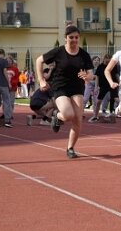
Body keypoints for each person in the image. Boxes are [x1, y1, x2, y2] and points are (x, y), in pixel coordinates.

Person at [36, 25, 94, 159]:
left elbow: (91, 73)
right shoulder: (59, 52)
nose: (74, 40)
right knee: (68, 114)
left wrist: (88, 76)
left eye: (76, 37)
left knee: (78, 118)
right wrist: (41, 80)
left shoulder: (84, 55)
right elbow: (39, 60)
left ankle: (70, 148)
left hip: (77, 88)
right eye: (71, 37)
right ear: (65, 38)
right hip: (60, 86)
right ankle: (57, 116)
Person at [89, 54, 118, 121]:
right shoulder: (100, 67)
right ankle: (95, 116)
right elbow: (97, 77)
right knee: (99, 101)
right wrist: (96, 87)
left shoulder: (113, 66)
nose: (108, 63)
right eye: (107, 61)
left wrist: (119, 83)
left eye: (109, 61)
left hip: (112, 85)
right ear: (104, 59)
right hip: (103, 86)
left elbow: (116, 75)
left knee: (117, 99)